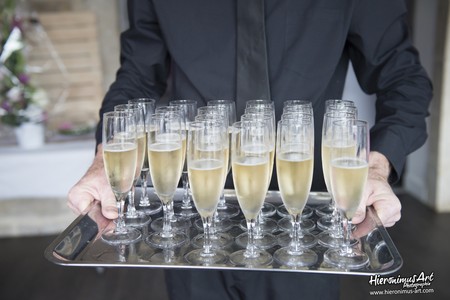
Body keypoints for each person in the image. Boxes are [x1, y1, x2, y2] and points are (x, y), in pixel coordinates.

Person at [68, 0, 432, 299]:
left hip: (306, 221)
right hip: (192, 224)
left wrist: (377, 166)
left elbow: (404, 78)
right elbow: (137, 76)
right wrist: (104, 160)